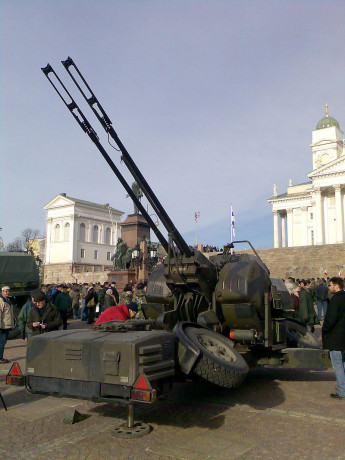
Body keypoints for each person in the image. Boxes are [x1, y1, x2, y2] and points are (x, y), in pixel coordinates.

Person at [322, 277, 345, 400]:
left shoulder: (335, 300)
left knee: (337, 365)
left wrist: (325, 328)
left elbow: (331, 319)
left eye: (330, 285)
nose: (329, 287)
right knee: (343, 364)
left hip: (336, 337)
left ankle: (342, 392)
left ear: (336, 286)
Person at [0, 286, 14, 364]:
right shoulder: (1, 301)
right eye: (5, 291)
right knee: (1, 342)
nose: (6, 293)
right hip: (2, 326)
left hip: (6, 325)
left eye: (8, 291)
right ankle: (0, 358)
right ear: (2, 292)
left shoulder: (7, 300)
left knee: (3, 342)